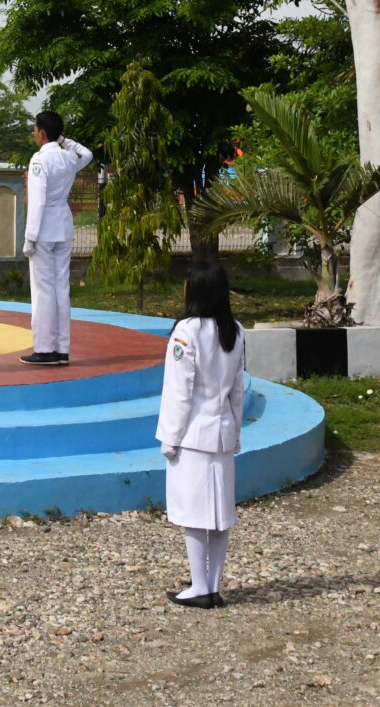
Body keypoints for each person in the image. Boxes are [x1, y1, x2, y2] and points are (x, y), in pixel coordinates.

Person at [157, 259, 246, 608]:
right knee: (220, 515)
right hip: (221, 433)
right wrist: (235, 431)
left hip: (192, 436)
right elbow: (237, 389)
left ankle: (198, 585)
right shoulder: (235, 330)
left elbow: (180, 391)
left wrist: (170, 437)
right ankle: (212, 584)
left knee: (193, 513)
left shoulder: (186, 331)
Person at [20, 110, 93, 366]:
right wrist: (64, 141)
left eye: (35, 130)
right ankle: (62, 348)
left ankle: (44, 348)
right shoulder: (67, 158)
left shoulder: (40, 160)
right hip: (63, 224)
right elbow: (87, 154)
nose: (34, 134)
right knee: (61, 288)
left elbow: (37, 201)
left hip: (43, 228)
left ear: (41, 132)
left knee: (43, 291)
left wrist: (29, 237)